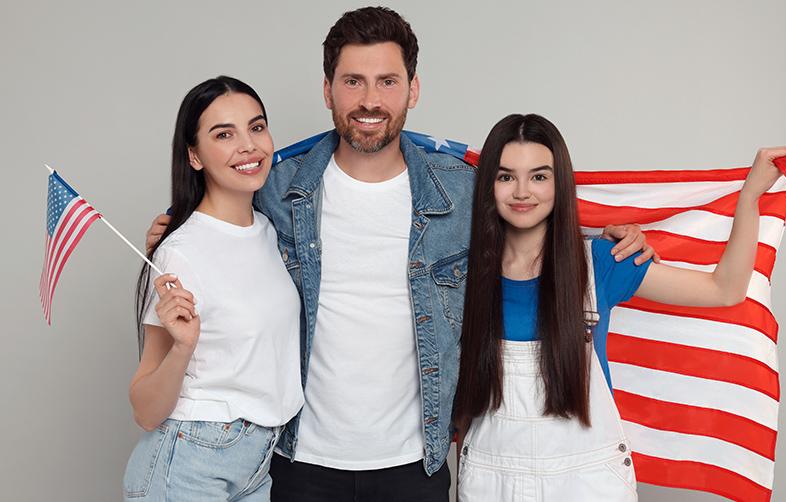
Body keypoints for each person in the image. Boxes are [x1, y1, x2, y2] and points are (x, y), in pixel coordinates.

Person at [145, 8, 654, 501]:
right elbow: (219, 224)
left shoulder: (461, 192)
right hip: (299, 461)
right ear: (327, 90)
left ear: (414, 88)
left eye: (388, 81)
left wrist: (608, 238)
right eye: (353, 81)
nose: (370, 99)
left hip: (415, 464)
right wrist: (174, 234)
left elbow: (529, 214)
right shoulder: (277, 190)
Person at [452, 113, 786, 501]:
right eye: (505, 176)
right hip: (490, 479)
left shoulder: (601, 262)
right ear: (489, 185)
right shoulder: (459, 276)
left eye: (539, 176)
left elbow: (724, 289)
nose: (522, 191)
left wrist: (749, 197)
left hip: (587, 482)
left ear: (560, 184)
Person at [124, 76, 304, 501]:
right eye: (224, 134)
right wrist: (183, 347)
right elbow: (145, 410)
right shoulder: (179, 252)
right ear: (194, 155)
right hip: (190, 461)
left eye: (256, 127)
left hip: (259, 463)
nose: (249, 146)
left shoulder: (271, 231)